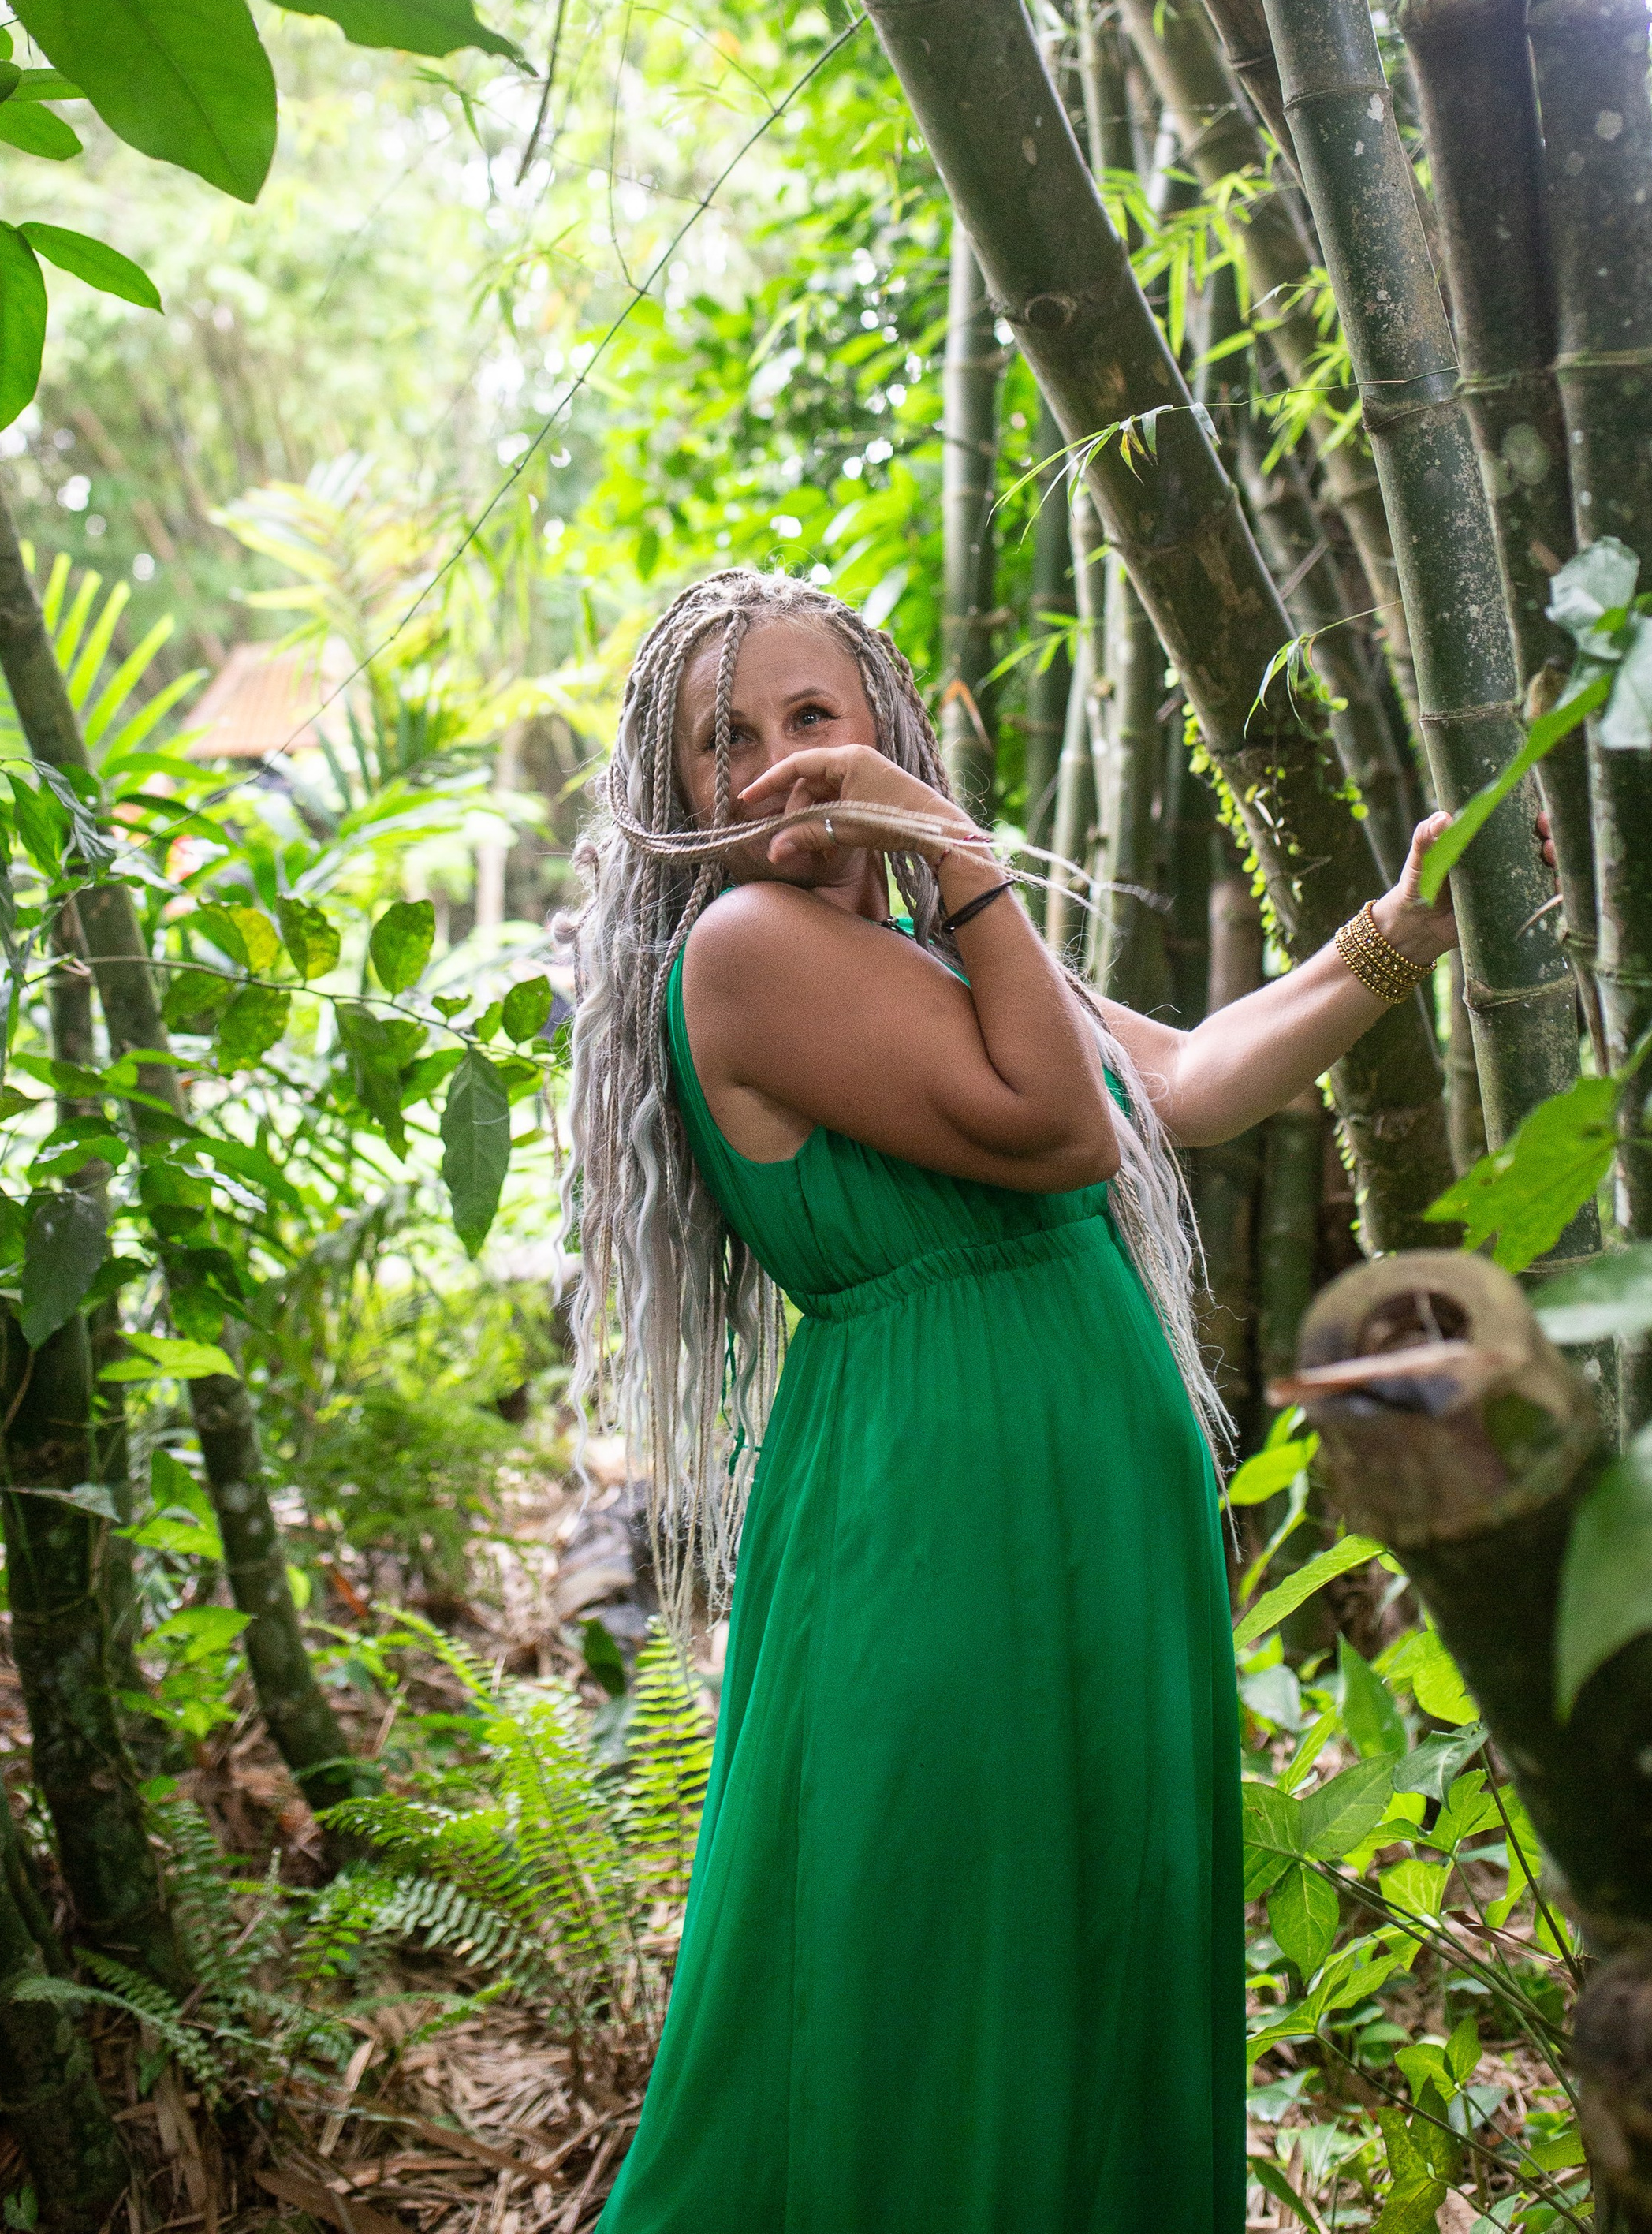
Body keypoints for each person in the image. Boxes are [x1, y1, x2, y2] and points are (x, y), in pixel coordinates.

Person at [562, 569, 1456, 2234]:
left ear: (879, 726)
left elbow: (1177, 1083)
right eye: (719, 740)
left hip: (1076, 1522)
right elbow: (1062, 1133)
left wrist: (1399, 936)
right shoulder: (750, 950)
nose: (770, 762)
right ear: (672, 795)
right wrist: (961, 851)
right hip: (938, 1531)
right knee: (934, 1971)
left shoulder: (901, 952)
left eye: (808, 717)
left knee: (1073, 1953)